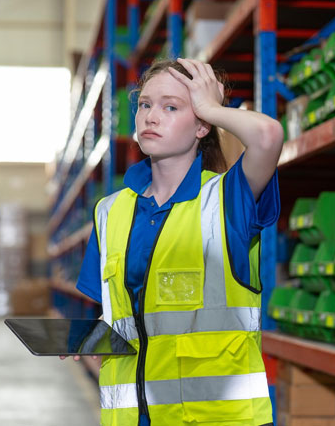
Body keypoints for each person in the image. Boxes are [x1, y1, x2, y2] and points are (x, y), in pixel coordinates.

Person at [70, 57, 283, 426]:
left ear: (203, 126)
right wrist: (94, 336)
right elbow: (123, 316)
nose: (151, 116)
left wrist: (211, 108)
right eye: (145, 105)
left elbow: (267, 137)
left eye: (171, 107)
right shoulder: (110, 212)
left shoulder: (225, 201)